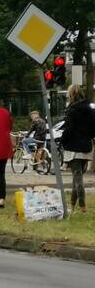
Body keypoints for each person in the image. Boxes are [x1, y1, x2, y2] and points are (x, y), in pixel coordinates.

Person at [60, 84, 95, 213]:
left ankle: (82, 206)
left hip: (73, 147)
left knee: (77, 177)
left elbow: (69, 129)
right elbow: (93, 129)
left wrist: (62, 139)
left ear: (71, 95)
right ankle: (73, 205)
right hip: (86, 147)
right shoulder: (90, 109)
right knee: (76, 178)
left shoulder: (72, 110)